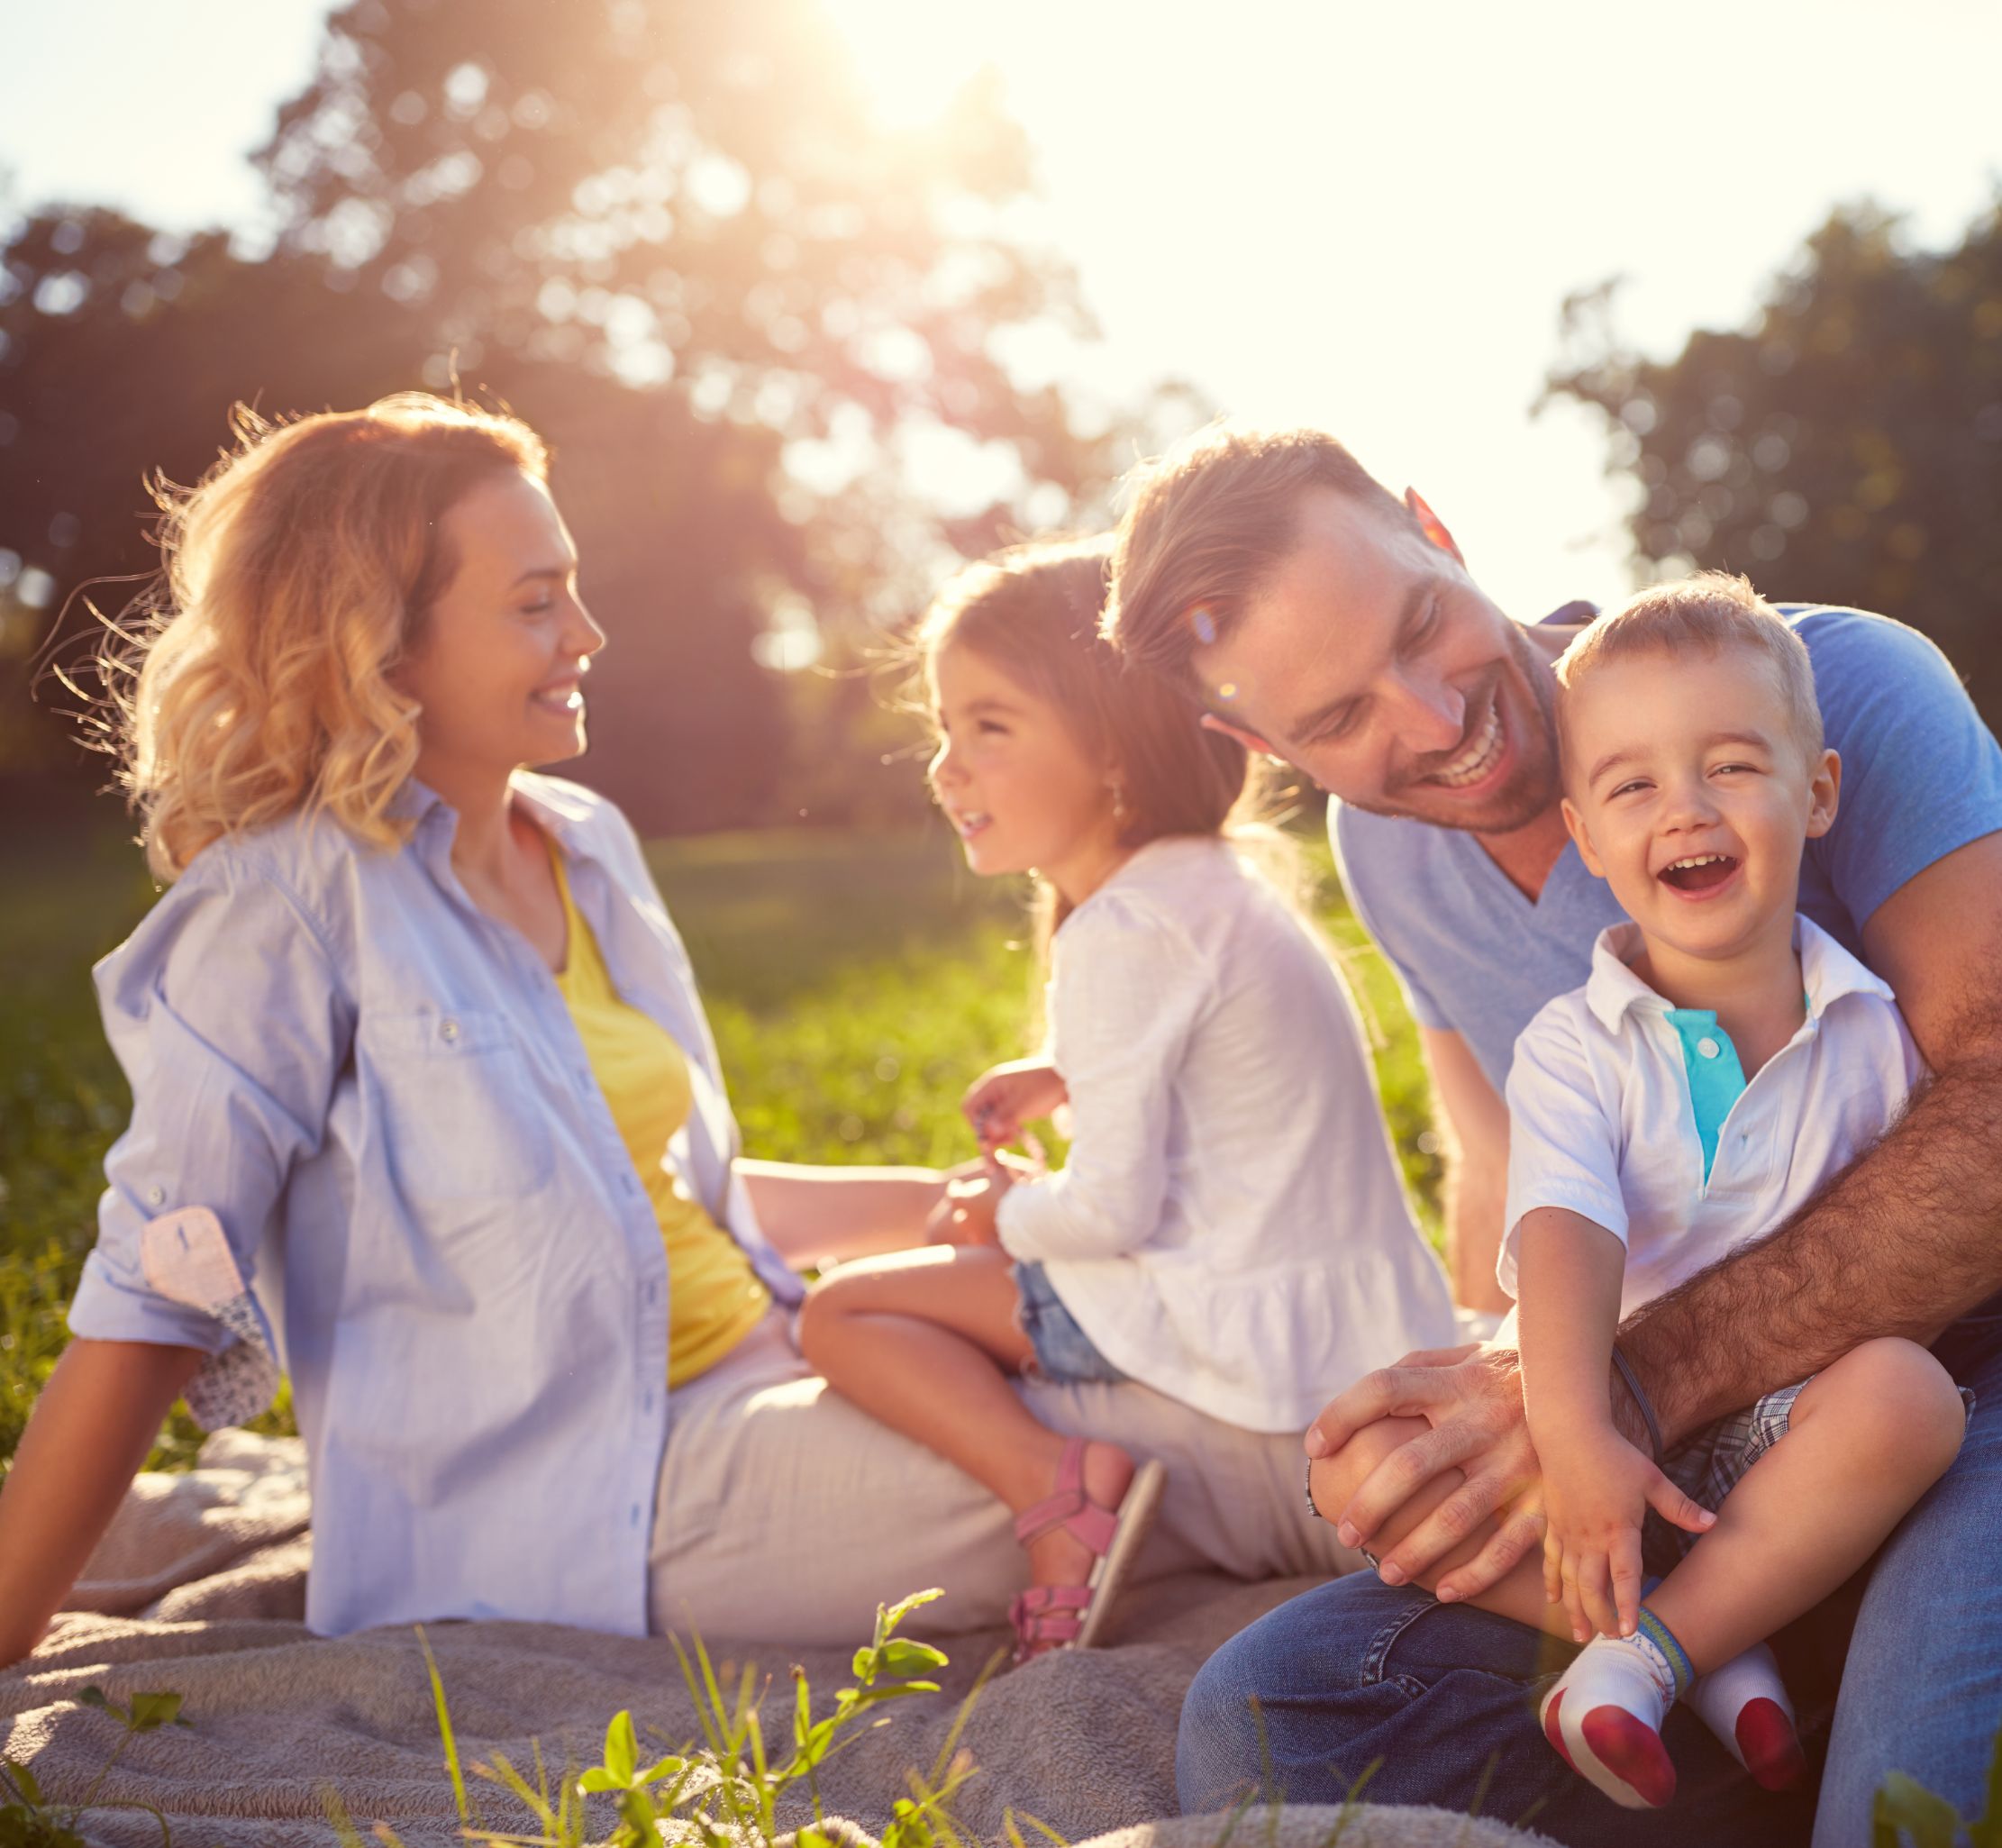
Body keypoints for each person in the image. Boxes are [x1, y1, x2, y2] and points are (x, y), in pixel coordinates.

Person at [0, 397, 1370, 1669]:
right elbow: (158, 1297)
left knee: (1177, 1343)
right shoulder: (280, 912)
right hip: (603, 1491)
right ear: (383, 643)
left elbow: (660, 1193)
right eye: (536, 603)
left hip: (768, 1356)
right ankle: (1434, 1513)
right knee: (1155, 1436)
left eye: (574, 588)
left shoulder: (580, 843)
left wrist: (982, 1212)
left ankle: (1455, 1473)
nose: (588, 632)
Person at [1102, 422, 2002, 1846]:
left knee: (1905, 1811)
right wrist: (1472, 1429)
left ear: (1433, 527)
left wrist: (1616, 1391)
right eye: (1335, 721)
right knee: (1279, 1711)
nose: (1427, 718)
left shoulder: (1825, 686)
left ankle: (1795, 1704)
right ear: (1255, 746)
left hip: (1958, 1384)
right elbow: (1508, 1171)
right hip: (1694, 1462)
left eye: (1418, 625)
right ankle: (1732, 1676)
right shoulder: (1384, 845)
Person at [798, 541, 1456, 1661]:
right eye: (945, 728)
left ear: (1109, 749)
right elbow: (1211, 1057)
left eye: (988, 727)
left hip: (1240, 1341)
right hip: (1353, 1322)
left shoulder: (1121, 928)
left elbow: (1107, 1212)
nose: (944, 767)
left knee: (841, 1313)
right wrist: (1064, 1069)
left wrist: (995, 1215)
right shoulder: (1211, 884)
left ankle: (1058, 1491)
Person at [1448, 577, 1965, 1807]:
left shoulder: (1875, 1030)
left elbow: (1916, 1257)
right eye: (1631, 784)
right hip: (1608, 1413)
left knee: (1913, 1396)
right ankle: (1724, 1648)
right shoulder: (1573, 1044)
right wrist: (1578, 1435)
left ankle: (1643, 1655)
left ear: (1818, 791)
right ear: (1584, 833)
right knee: (1381, 1470)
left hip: (1791, 1431)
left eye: (1730, 764)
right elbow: (1565, 1234)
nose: (1682, 806)